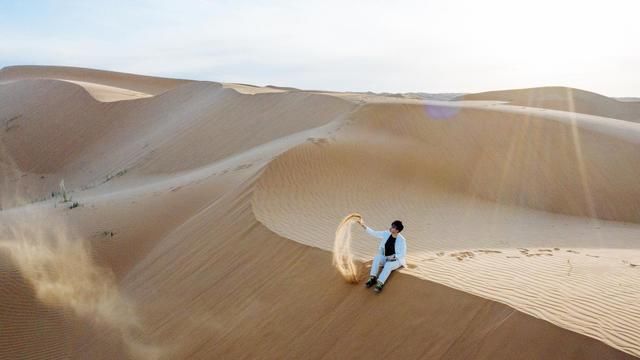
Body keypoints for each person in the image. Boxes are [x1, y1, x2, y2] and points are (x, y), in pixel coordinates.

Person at [358, 218, 407, 293]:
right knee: (377, 257)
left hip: (396, 261)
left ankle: (380, 283)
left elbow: (402, 254)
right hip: (385, 257)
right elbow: (374, 233)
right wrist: (363, 225)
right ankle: (372, 277)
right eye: (392, 225)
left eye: (393, 227)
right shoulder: (386, 233)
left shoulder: (402, 240)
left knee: (388, 265)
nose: (391, 227)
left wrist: (393, 257)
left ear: (397, 230)